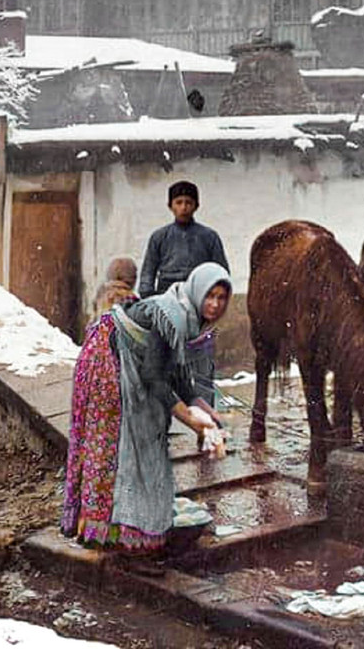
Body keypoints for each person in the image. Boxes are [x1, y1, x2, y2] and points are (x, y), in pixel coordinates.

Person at [61, 262, 231, 573]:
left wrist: (205, 410)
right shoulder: (173, 314)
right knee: (130, 448)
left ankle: (129, 535)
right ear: (198, 291)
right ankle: (129, 546)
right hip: (108, 363)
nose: (215, 304)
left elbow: (177, 372)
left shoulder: (187, 313)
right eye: (210, 295)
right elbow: (154, 377)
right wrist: (190, 419)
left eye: (222, 298)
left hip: (125, 359)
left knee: (143, 444)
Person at [139, 181, 229, 300]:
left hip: (198, 294)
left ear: (196, 206)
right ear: (170, 206)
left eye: (188, 203)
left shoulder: (209, 236)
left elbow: (221, 271)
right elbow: (148, 272)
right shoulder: (159, 236)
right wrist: (148, 297)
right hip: (166, 294)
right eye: (179, 202)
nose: (183, 207)